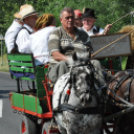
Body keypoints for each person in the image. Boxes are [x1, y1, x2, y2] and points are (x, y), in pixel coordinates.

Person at [48, 7, 106, 86]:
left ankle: (101, 90)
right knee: (63, 64)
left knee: (96, 63)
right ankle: (63, 91)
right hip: (61, 66)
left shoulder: (82, 33)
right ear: (61, 20)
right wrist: (72, 60)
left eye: (72, 17)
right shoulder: (56, 33)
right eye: (67, 18)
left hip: (81, 65)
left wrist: (89, 57)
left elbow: (91, 52)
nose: (70, 20)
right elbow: (56, 55)